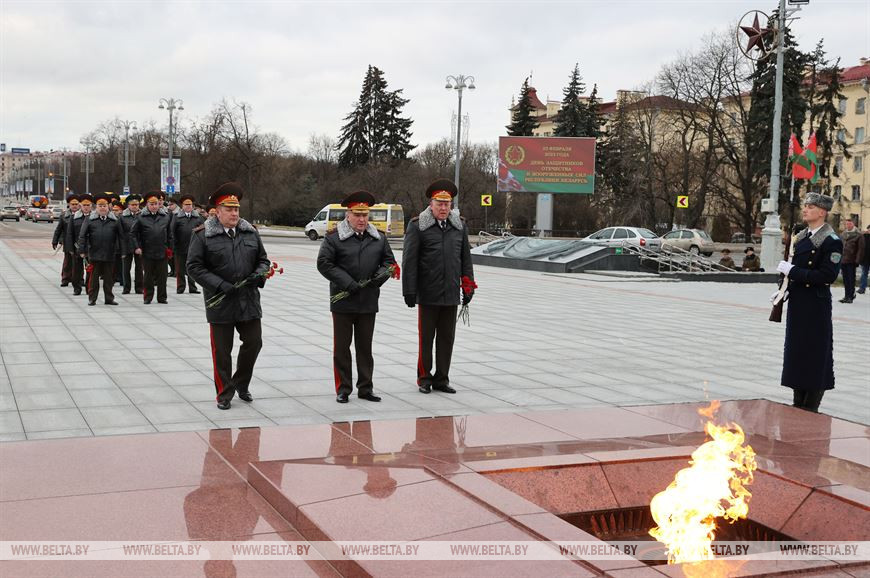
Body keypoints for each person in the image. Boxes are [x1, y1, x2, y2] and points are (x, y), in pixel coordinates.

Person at [187, 182, 271, 410]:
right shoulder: (203, 235)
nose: (234, 213)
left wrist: (258, 274)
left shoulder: (250, 232)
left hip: (248, 301)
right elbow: (194, 267)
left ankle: (240, 384)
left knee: (254, 343)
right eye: (229, 209)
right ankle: (224, 393)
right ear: (217, 211)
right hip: (221, 302)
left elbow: (263, 260)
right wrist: (219, 285)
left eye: (236, 209)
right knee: (222, 352)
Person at [317, 191, 397, 404]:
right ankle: (343, 388)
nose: (362, 219)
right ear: (348, 215)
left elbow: (390, 263)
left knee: (365, 347)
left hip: (368, 300)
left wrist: (378, 279)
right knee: (342, 347)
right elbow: (324, 263)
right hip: (343, 300)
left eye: (365, 215)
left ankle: (365, 387)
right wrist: (347, 283)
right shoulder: (334, 238)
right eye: (357, 215)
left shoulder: (378, 238)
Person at [402, 178, 474, 395]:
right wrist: (409, 291)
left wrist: (468, 285)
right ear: (431, 204)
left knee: (446, 339)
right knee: (426, 339)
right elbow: (409, 261)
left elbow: (465, 259)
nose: (443, 208)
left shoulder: (458, 226)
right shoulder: (418, 226)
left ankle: (442, 378)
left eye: (447, 204)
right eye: (439, 203)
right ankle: (424, 378)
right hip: (428, 293)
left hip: (451, 293)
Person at [776, 192, 842, 413]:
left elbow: (826, 276)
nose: (805, 209)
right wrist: (784, 290)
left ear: (822, 212)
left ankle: (810, 407)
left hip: (815, 305)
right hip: (798, 304)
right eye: (804, 206)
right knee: (797, 353)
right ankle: (798, 403)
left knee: (814, 354)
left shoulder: (831, 241)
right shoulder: (801, 237)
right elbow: (790, 267)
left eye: (810, 207)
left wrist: (794, 271)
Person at [78, 193, 122, 306]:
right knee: (93, 279)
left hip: (110, 253)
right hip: (94, 253)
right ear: (96, 207)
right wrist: (82, 251)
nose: (102, 208)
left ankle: (109, 298)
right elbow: (82, 236)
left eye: (105, 206)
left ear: (109, 207)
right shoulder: (89, 220)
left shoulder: (115, 220)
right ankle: (92, 298)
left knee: (109, 279)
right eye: (100, 206)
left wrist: (122, 251)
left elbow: (121, 237)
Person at [131, 191, 172, 304]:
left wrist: (169, 248)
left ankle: (162, 297)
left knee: (162, 276)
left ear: (159, 204)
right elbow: (133, 234)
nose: (154, 206)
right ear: (147, 205)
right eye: (151, 204)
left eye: (156, 204)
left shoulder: (165, 217)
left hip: (162, 250)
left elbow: (170, 234)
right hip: (147, 251)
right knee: (148, 276)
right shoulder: (140, 217)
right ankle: (148, 297)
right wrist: (137, 247)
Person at [171, 194, 204, 294]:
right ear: (182, 206)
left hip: (194, 247)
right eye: (186, 204)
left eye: (190, 204)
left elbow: (203, 230)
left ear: (193, 206)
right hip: (180, 247)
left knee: (192, 268)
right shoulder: (177, 217)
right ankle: (180, 287)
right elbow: (172, 231)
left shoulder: (198, 217)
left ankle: (192, 287)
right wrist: (174, 245)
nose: (188, 206)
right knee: (180, 269)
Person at [65, 193, 93, 296]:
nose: (86, 207)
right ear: (80, 205)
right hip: (77, 247)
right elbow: (70, 234)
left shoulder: (94, 217)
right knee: (76, 270)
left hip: (91, 248)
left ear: (91, 206)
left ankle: (89, 288)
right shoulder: (74, 217)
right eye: (84, 205)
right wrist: (70, 248)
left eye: (88, 205)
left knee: (90, 270)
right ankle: (76, 288)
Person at [119, 194, 144, 295]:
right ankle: (126, 287)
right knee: (126, 268)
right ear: (128, 206)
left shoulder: (142, 216)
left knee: (139, 268)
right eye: (132, 204)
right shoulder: (122, 217)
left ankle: (139, 288)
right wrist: (122, 248)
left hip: (139, 245)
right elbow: (120, 233)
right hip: (127, 244)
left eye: (136, 204)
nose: (135, 206)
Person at [52, 194, 79, 287]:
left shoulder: (82, 215)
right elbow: (59, 229)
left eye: (76, 204)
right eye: (73, 204)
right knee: (67, 262)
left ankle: (80, 279)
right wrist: (55, 240)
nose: (75, 206)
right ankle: (65, 279)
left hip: (80, 242)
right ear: (69, 205)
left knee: (79, 262)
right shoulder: (64, 216)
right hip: (68, 242)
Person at [838, 219, 864, 303]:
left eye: (850, 224)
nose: (848, 225)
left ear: (853, 224)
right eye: (847, 224)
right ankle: (846, 296)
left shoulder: (858, 235)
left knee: (851, 279)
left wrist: (857, 260)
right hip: (843, 260)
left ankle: (851, 296)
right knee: (845, 279)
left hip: (852, 260)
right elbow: (840, 246)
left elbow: (861, 249)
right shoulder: (843, 234)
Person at [111, 200, 125, 285]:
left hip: (121, 243)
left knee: (121, 263)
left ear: (121, 210)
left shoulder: (123, 219)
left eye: (117, 210)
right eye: (113, 210)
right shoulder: (111, 219)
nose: (115, 212)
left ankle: (121, 278)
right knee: (113, 263)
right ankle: (113, 278)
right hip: (112, 244)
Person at [859, 225, 870, 295]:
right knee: (864, 274)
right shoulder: (863, 237)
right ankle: (862, 288)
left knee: (864, 273)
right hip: (865, 259)